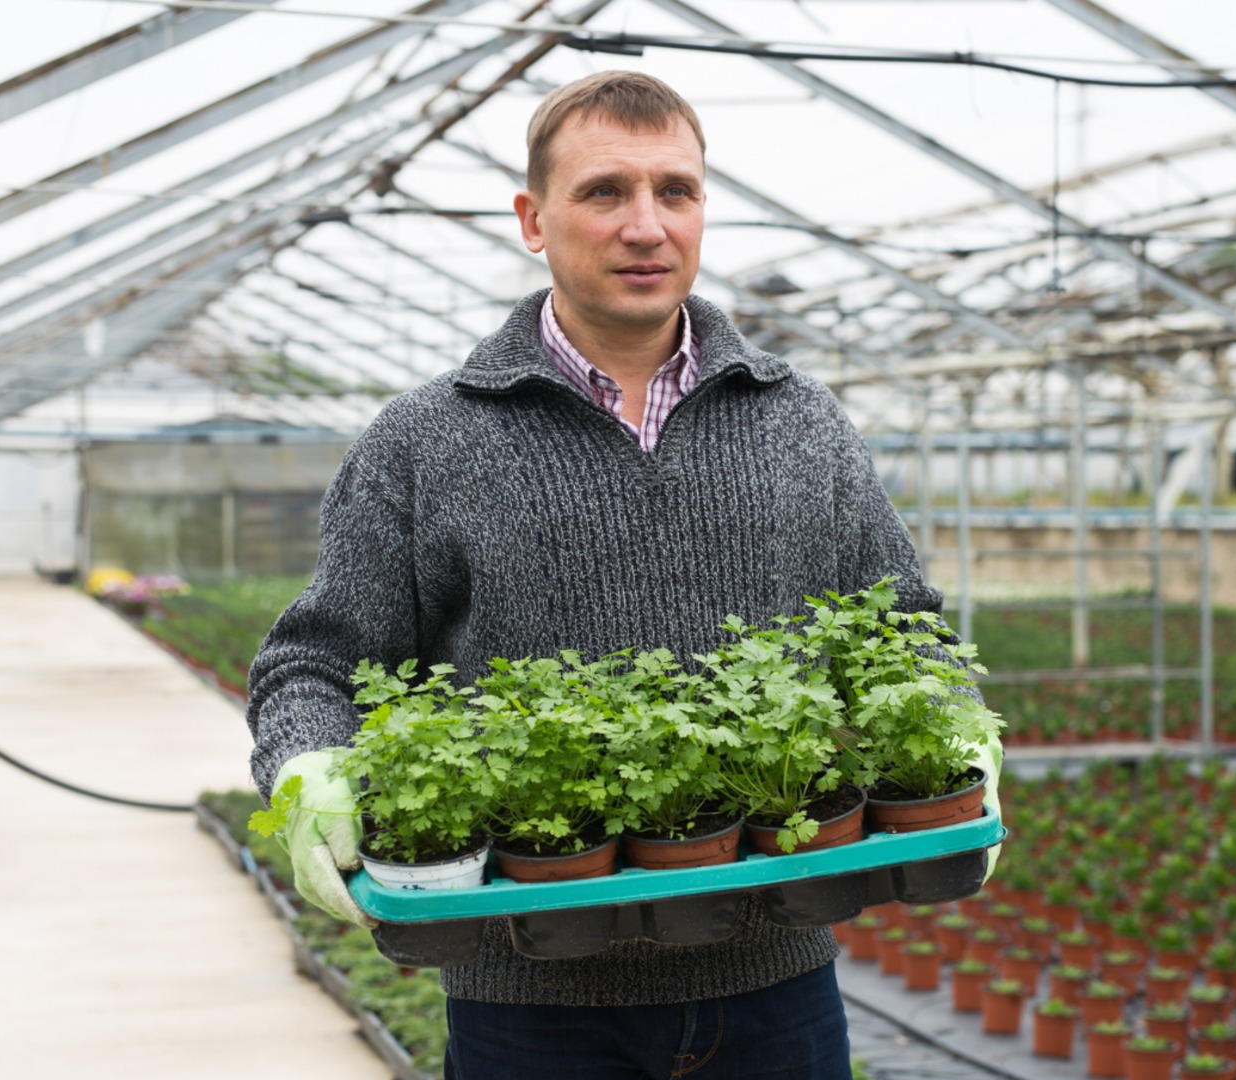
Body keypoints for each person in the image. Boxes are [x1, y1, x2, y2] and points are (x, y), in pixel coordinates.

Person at [244, 69, 1001, 1079]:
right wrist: (307, 765)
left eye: (674, 191)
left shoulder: (800, 422)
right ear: (533, 219)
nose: (646, 226)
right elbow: (315, 661)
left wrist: (956, 729)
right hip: (529, 1004)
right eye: (605, 191)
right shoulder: (427, 438)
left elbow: (903, 627)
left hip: (775, 988)